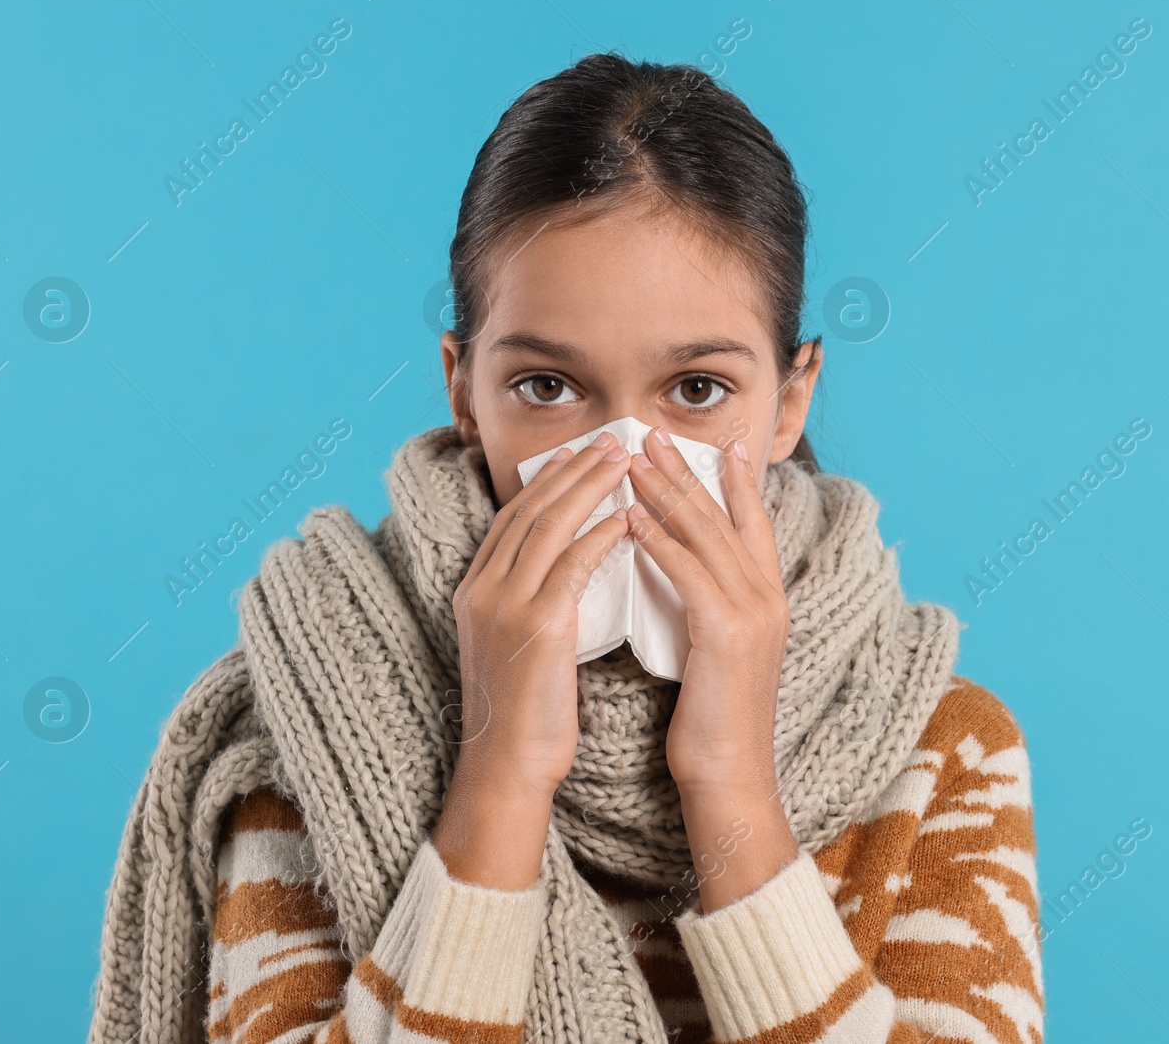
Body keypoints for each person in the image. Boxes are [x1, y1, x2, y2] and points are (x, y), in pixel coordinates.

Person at [87, 51, 1043, 1044]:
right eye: (548, 386)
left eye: (697, 389)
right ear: (463, 389)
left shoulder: (937, 746)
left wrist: (730, 785)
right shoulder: (303, 727)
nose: (624, 460)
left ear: (788, 401)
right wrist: (497, 775)